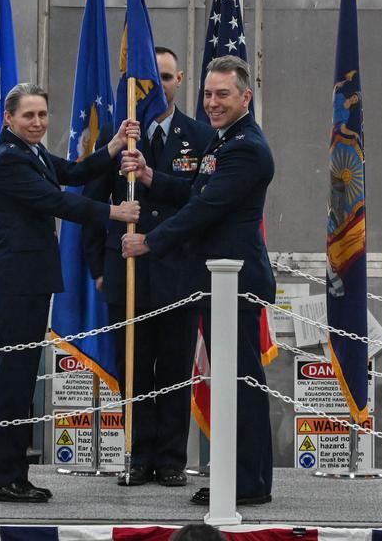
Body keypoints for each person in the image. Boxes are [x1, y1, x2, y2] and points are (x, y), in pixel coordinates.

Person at [121, 55, 275, 506]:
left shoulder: (246, 147)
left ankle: (248, 482)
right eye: (207, 94)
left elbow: (205, 209)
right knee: (229, 382)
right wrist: (152, 177)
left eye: (222, 94)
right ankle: (236, 475)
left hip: (236, 282)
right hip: (215, 281)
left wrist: (152, 242)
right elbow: (194, 192)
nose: (212, 102)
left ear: (245, 96)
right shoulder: (225, 141)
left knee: (241, 382)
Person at [0, 83, 141, 503]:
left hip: (29, 283)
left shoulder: (29, 153)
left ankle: (14, 474)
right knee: (9, 385)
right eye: (28, 115)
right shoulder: (7, 161)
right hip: (14, 283)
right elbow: (58, 201)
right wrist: (115, 212)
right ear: (9, 119)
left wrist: (112, 146)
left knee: (19, 384)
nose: (37, 122)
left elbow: (71, 173)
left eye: (42, 115)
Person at [82, 46, 214, 488]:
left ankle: (172, 459)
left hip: (178, 271)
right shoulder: (121, 139)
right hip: (127, 274)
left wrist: (154, 178)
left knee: (175, 370)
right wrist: (97, 266)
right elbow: (91, 201)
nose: (157, 87)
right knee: (134, 370)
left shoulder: (199, 136)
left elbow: (203, 198)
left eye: (166, 77)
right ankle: (137, 456)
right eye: (148, 80)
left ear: (179, 82)